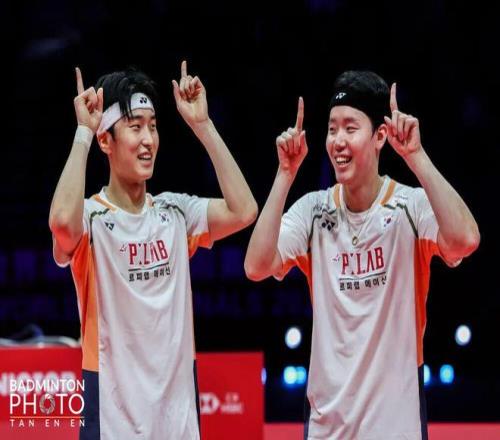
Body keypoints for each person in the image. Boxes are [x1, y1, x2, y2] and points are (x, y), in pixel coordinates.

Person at [244, 70, 480, 439]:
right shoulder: (313, 211)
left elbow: (465, 238)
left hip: (396, 426)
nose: (337, 141)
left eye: (350, 128)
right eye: (332, 129)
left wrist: (416, 156)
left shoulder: (410, 208)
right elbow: (256, 266)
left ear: (380, 136)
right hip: (327, 427)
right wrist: (284, 175)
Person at [49, 61, 257, 439]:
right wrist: (83, 132)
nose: (148, 139)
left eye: (153, 126)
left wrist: (203, 126)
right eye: (135, 127)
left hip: (178, 425)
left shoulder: (174, 213)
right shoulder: (91, 219)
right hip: (112, 424)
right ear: (106, 141)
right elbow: (62, 222)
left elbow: (244, 210)